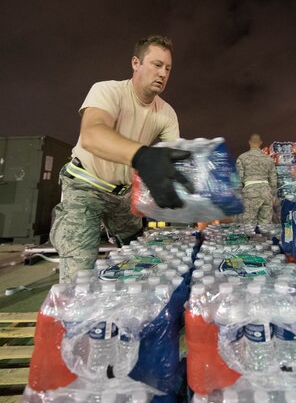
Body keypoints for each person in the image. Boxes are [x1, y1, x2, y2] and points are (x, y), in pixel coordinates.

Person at [50, 35, 193, 283]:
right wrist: (142, 155)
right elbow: (92, 135)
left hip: (124, 195)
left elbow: (173, 156)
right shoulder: (107, 91)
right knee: (79, 276)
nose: (163, 73)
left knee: (142, 257)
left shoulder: (167, 113)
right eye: (156, 65)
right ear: (136, 63)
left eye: (168, 68)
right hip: (85, 187)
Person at [236, 133, 277, 226]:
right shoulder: (268, 159)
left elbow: (238, 178)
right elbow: (273, 180)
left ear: (249, 142)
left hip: (250, 193)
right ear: (261, 143)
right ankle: (266, 239)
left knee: (249, 225)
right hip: (266, 192)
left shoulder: (242, 158)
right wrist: (272, 194)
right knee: (265, 225)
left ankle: (251, 240)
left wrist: (239, 194)